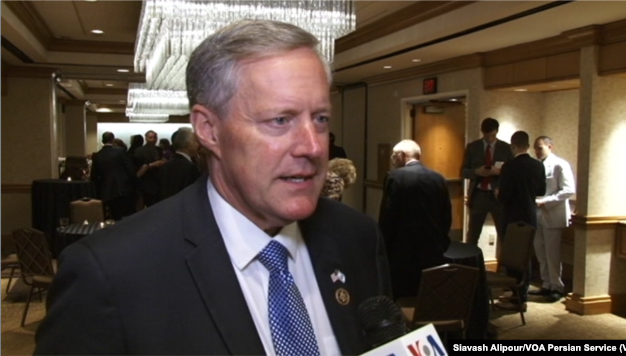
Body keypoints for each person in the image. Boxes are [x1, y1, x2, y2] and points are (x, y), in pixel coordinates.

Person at [34, 19, 391, 356]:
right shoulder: (110, 272)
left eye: (320, 118)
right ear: (208, 129)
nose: (313, 147)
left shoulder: (357, 237)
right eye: (280, 120)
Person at [378, 139, 452, 300]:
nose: (392, 159)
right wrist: (441, 240)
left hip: (402, 250)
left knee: (402, 297)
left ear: (403, 155)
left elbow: (388, 216)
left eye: (394, 155)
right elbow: (446, 215)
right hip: (432, 248)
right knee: (428, 296)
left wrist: (384, 245)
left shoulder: (394, 177)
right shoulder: (438, 178)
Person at [495, 130, 546, 312]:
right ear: (528, 144)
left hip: (512, 215)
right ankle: (520, 293)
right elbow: (541, 190)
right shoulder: (538, 165)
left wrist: (498, 194)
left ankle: (518, 298)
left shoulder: (509, 166)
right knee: (525, 255)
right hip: (530, 214)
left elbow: (505, 196)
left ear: (513, 146)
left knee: (513, 256)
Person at [529, 136, 575, 303]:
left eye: (540, 148)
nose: (537, 151)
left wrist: (546, 201)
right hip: (537, 213)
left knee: (552, 252)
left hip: (552, 213)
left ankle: (557, 286)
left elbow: (569, 190)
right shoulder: (536, 165)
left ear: (550, 147)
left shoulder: (560, 164)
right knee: (540, 250)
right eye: (535, 148)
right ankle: (546, 283)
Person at [461, 117, 513, 257]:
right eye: (486, 135)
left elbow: (514, 172)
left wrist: (500, 172)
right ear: (482, 132)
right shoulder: (473, 147)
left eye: (492, 135)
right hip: (479, 194)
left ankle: (505, 269)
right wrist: (476, 172)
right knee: (473, 234)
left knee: (503, 233)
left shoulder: (506, 148)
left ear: (497, 132)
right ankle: (471, 267)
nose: (489, 139)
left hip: (498, 196)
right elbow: (463, 171)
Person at [90, 132, 136, 220]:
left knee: (109, 215)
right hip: (122, 188)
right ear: (112, 139)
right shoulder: (120, 152)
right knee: (123, 215)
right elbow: (130, 169)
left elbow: (94, 176)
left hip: (105, 189)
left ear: (102, 141)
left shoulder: (97, 155)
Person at [158, 127, 201, 200]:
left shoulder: (165, 165)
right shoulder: (190, 167)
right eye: (195, 141)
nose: (198, 145)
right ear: (188, 144)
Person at [134, 130, 166, 207]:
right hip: (146, 183)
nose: (152, 140)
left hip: (158, 182)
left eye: (154, 137)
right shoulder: (140, 151)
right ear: (146, 138)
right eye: (150, 138)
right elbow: (137, 168)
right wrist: (152, 165)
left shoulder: (159, 150)